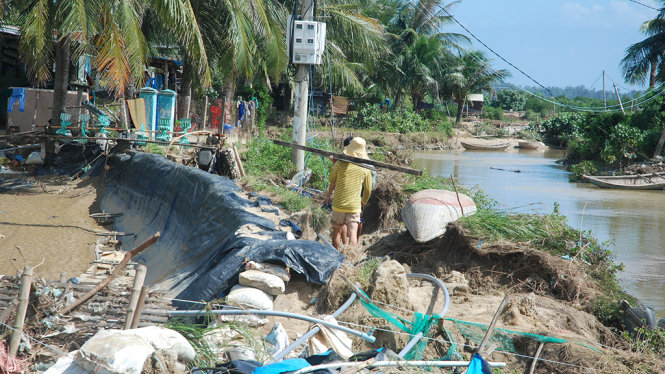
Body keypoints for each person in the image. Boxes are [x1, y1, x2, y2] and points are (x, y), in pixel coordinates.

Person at [324, 137, 373, 249]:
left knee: (336, 232)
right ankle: (352, 260)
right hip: (354, 206)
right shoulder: (365, 168)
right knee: (353, 235)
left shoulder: (340, 164)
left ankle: (336, 256)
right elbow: (368, 189)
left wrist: (334, 164)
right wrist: (363, 201)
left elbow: (332, 180)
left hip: (339, 203)